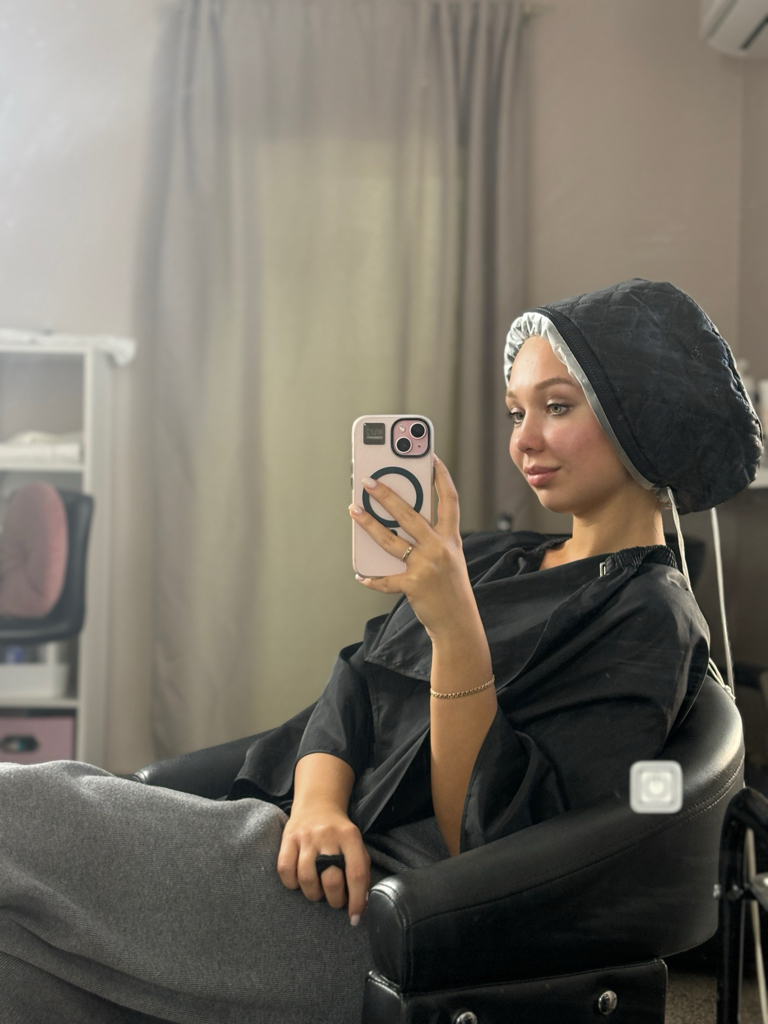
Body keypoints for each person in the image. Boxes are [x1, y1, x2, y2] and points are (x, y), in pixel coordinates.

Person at [0, 278, 761, 1023]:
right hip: (296, 842)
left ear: (643, 415)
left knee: (24, 804)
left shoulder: (647, 617)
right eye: (516, 411)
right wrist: (317, 807)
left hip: (376, 910)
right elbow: (356, 681)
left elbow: (498, 844)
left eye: (556, 407)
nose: (523, 440)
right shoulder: (492, 557)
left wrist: (455, 629)